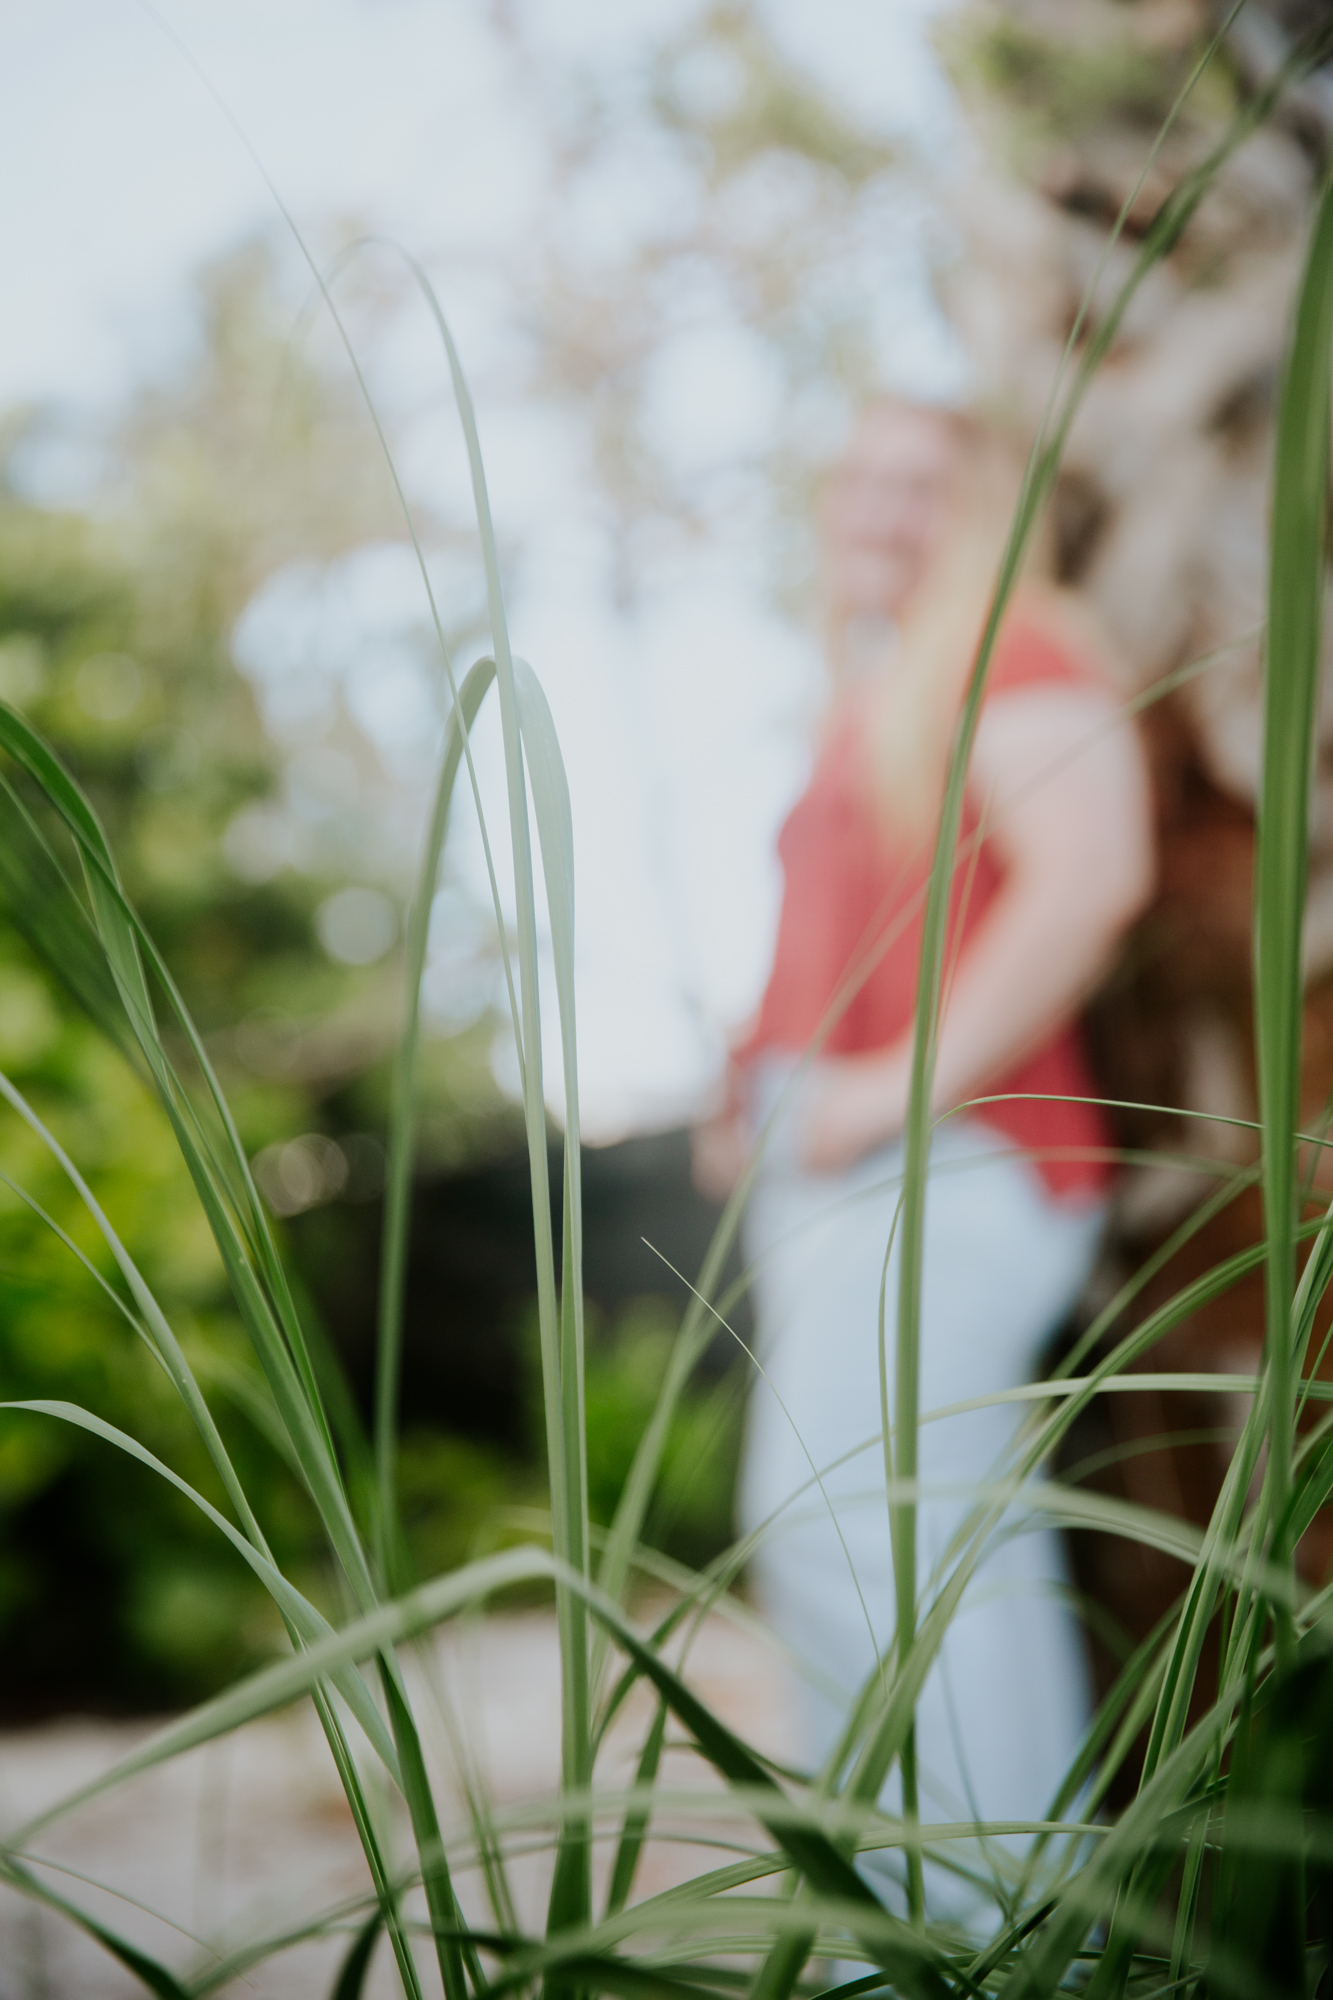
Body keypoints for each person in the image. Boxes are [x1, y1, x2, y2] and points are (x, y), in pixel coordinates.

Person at [694, 400, 1154, 1932]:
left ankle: (993, 1944)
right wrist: (750, 1086)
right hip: (852, 1175)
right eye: (861, 476)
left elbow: (1089, 876)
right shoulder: (879, 689)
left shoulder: (1008, 649)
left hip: (952, 1164)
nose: (881, 508)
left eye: (923, 483)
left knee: (870, 1538)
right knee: (884, 1550)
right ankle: (911, 1942)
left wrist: (886, 1090)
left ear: (986, 511)